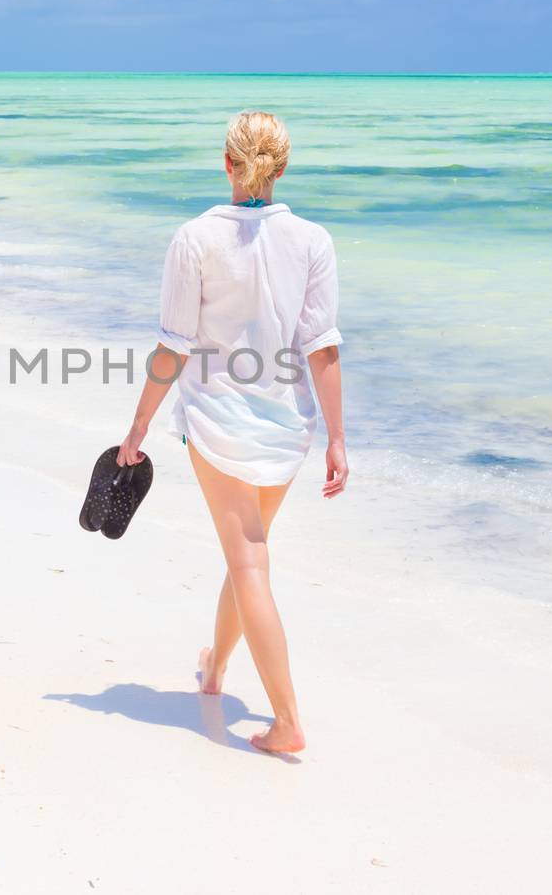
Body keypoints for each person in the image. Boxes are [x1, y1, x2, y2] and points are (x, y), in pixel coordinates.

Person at [116, 110, 348, 754]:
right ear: (282, 168)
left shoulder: (194, 239)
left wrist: (135, 429)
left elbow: (173, 348)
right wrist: (336, 438)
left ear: (226, 162)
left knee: (248, 557)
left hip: (218, 424)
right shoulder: (313, 241)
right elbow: (322, 350)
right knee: (248, 551)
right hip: (286, 429)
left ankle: (287, 719)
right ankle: (215, 669)